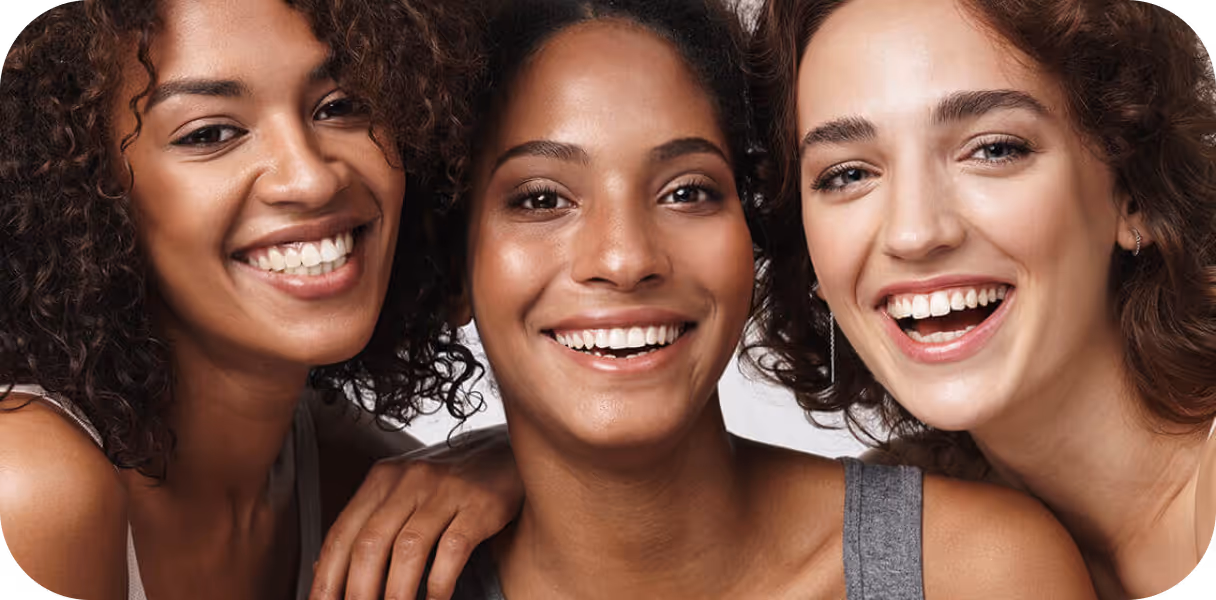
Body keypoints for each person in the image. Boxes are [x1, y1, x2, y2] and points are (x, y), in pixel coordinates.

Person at [419, 0, 1099, 597]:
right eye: (541, 199)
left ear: (758, 235)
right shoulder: (372, 569)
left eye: (687, 191)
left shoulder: (973, 572)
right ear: (454, 266)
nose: (625, 260)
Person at [0, 1, 519, 598]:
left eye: (341, 106)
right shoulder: (33, 489)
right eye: (212, 134)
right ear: (84, 189)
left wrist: (523, 466)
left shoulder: (343, 473)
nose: (311, 178)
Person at [747, 0, 1216, 596]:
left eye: (994, 149)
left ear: (1133, 192)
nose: (914, 234)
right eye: (848, 175)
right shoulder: (897, 546)